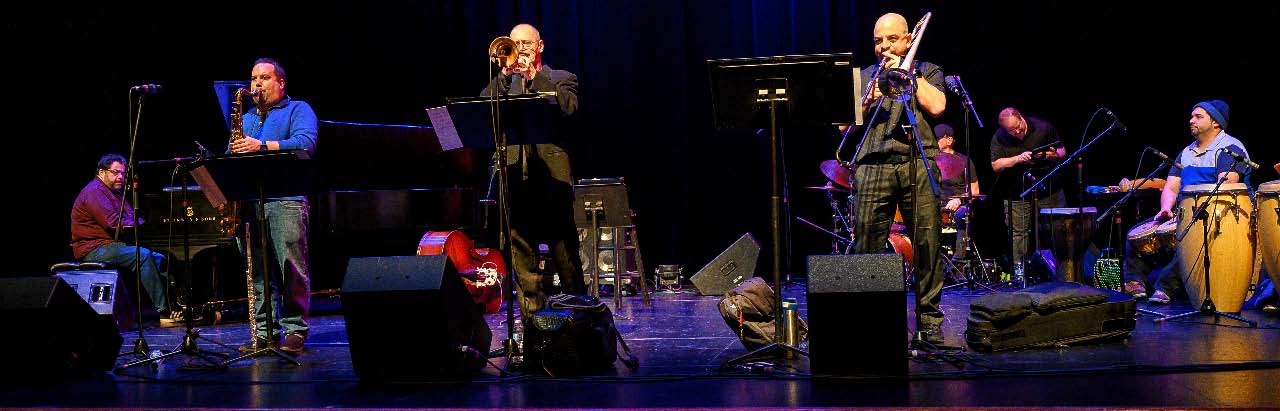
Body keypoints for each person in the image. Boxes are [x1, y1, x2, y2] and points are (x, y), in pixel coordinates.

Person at [848, 13, 948, 344]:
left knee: (926, 244)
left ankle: (929, 321)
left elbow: (937, 108)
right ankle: (868, 319)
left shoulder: (928, 70)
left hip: (918, 161)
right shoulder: (863, 76)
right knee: (866, 244)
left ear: (907, 39)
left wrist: (908, 74)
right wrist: (873, 92)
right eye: (878, 40)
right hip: (873, 163)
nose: (884, 46)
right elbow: (842, 124)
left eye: (891, 39)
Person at [481, 23, 586, 319]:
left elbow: (569, 109)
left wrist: (533, 76)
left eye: (527, 43)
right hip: (515, 182)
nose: (521, 49)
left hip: (553, 183)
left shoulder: (561, 78)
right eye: (515, 44)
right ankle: (533, 329)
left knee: (566, 260)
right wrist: (504, 74)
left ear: (539, 46)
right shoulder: (503, 84)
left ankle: (581, 321)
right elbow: (483, 106)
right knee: (523, 262)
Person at [229, 58, 318, 353]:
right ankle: (265, 333)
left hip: (286, 200)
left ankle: (295, 330)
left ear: (280, 83)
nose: (256, 84)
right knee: (257, 273)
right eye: (253, 77)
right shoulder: (248, 116)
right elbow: (230, 155)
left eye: (264, 78)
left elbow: (305, 143)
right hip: (250, 203)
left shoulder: (298, 109)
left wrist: (262, 146)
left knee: (290, 267)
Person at [1141, 100, 1250, 304]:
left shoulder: (1228, 148)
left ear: (1216, 122)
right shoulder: (1186, 152)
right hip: (1184, 212)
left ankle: (1165, 287)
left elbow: (1225, 186)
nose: (1191, 120)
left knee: (1193, 240)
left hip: (1215, 215)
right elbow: (1172, 186)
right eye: (1191, 116)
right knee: (1140, 233)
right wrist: (1165, 208)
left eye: (1198, 117)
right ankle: (1134, 285)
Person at [70, 153, 176, 325]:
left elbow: (131, 217)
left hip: (111, 246)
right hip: (94, 248)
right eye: (115, 172)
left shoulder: (114, 193)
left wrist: (149, 225)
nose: (120, 177)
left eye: (123, 173)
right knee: (143, 256)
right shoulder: (94, 191)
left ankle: (177, 306)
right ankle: (164, 312)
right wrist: (141, 226)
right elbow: (113, 223)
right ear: (101, 172)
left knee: (161, 259)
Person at [989, 108, 1067, 271]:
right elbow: (996, 165)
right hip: (1017, 193)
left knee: (1056, 230)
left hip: (1048, 189)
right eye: (1012, 131)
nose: (1017, 132)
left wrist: (1047, 155)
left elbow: (1061, 152)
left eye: (1018, 127)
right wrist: (1017, 158)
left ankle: (1062, 270)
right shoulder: (999, 137)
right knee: (1019, 233)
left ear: (1021, 117)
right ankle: (1019, 272)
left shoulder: (1043, 127)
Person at [934, 124, 980, 263]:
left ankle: (957, 262)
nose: (934, 142)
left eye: (937, 139)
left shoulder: (965, 160)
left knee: (963, 214)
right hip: (937, 204)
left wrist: (958, 200)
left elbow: (975, 191)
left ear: (949, 140)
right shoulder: (931, 161)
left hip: (959, 205)